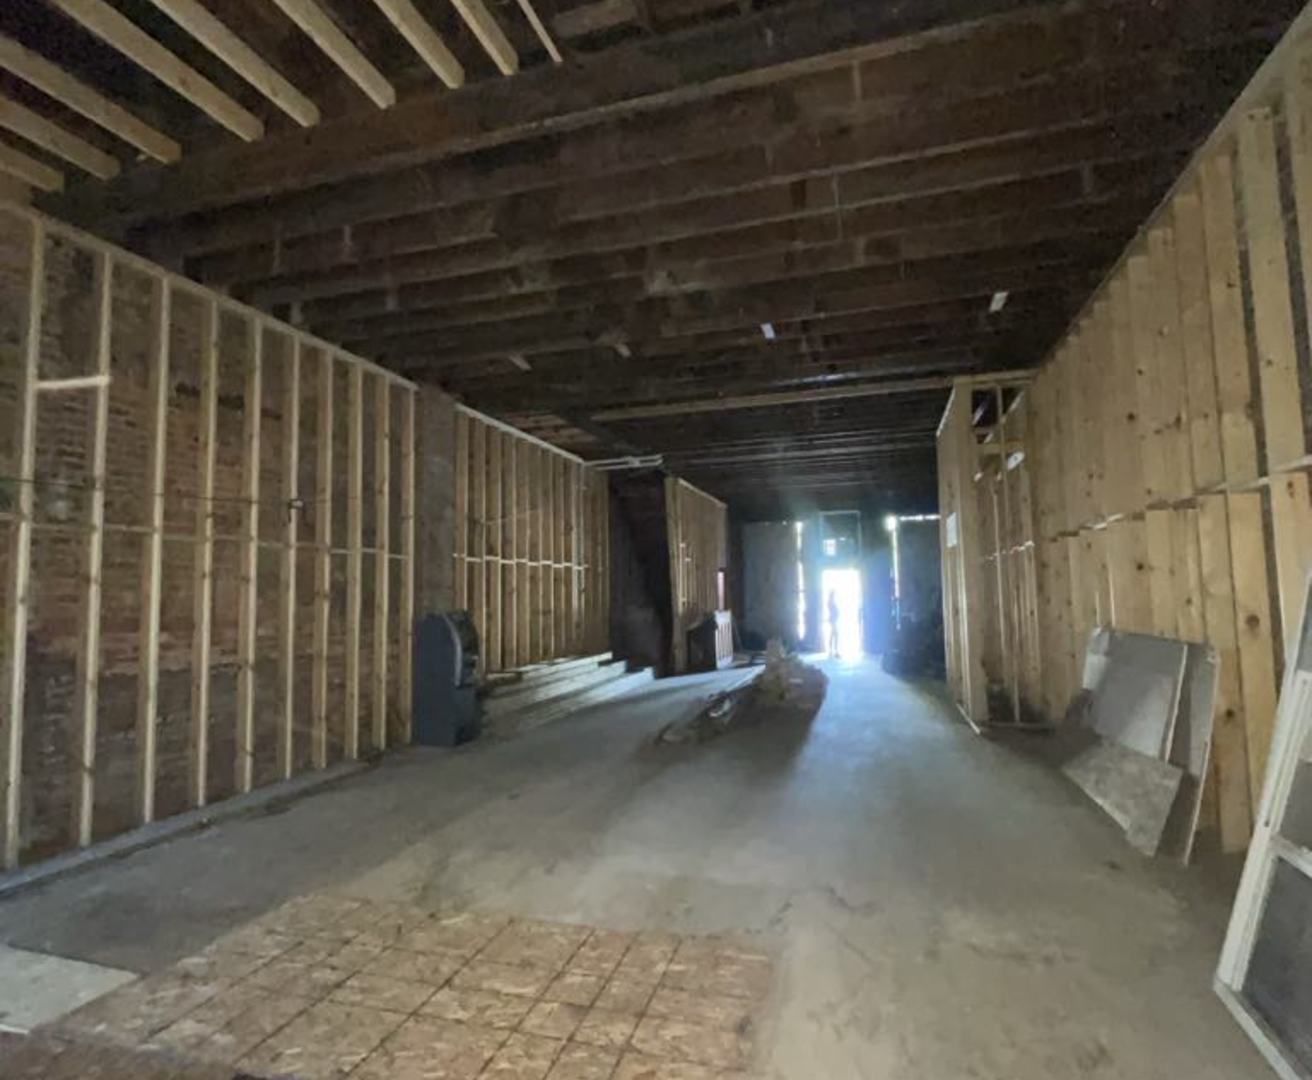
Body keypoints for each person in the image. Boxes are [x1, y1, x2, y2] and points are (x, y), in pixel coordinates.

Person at [827, 590, 840, 657]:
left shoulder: (831, 601)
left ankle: (832, 650)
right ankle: (835, 650)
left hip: (833, 619)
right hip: (833, 620)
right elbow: (833, 610)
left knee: (833, 634)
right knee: (836, 634)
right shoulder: (830, 601)